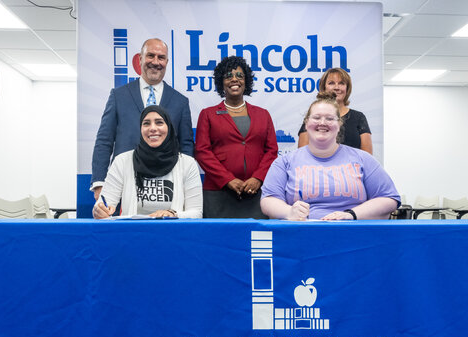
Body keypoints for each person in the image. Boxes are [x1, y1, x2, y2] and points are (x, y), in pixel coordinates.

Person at [261, 92, 399, 220]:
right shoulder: (285, 162)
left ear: (339, 124)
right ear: (306, 123)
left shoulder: (363, 159)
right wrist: (289, 212)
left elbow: (389, 198)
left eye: (329, 118)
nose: (322, 123)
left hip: (354, 236)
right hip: (301, 236)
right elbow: (268, 200)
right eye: (316, 117)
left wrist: (351, 215)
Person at [91, 38, 194, 200]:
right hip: (122, 183)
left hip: (167, 186)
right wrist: (99, 182)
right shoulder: (118, 96)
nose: (155, 62)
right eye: (150, 56)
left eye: (161, 57)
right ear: (140, 59)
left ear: (167, 62)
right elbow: (104, 140)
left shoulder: (180, 102)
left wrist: (185, 183)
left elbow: (186, 146)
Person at [195, 56, 278, 218]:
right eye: (228, 76)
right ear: (221, 82)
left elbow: (272, 151)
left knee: (255, 240)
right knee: (217, 241)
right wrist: (227, 179)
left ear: (246, 81)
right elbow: (202, 152)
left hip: (255, 193)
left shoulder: (263, 114)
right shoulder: (208, 114)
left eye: (240, 76)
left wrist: (258, 178)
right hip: (218, 193)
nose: (235, 79)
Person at [93, 105, 202, 219]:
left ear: (169, 127)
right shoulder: (122, 161)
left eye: (159, 122)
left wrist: (172, 214)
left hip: (172, 233)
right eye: (146, 123)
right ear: (140, 129)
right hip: (132, 233)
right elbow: (104, 204)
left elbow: (196, 213)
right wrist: (99, 210)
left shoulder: (187, 163)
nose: (153, 128)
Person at [297, 68, 372, 154]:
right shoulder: (313, 116)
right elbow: (302, 156)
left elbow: (367, 158)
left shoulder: (358, 117)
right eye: (331, 83)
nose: (336, 87)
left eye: (341, 83)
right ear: (324, 87)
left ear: (347, 88)